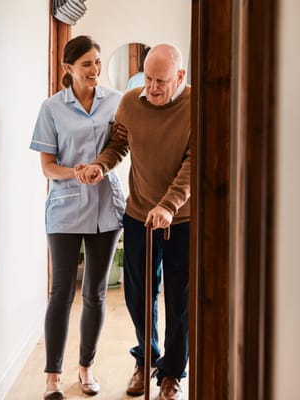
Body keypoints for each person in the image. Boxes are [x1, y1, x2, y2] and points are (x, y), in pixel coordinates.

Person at [77, 43, 190, 400]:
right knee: (138, 295)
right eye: (148, 79)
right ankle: (146, 358)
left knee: (179, 300)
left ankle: (172, 373)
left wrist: (169, 206)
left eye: (161, 81)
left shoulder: (198, 106)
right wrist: (100, 164)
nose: (152, 88)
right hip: (139, 213)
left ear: (181, 77)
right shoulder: (130, 102)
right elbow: (118, 144)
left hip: (182, 219)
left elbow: (194, 164)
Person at [29, 35, 125, 400]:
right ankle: (52, 376)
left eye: (98, 62)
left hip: (105, 208)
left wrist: (99, 169)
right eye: (87, 64)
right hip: (66, 209)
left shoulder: (116, 102)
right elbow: (48, 167)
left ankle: (85, 369)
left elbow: (122, 147)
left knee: (96, 294)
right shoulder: (51, 108)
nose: (95, 70)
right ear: (68, 68)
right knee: (61, 292)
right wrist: (77, 172)